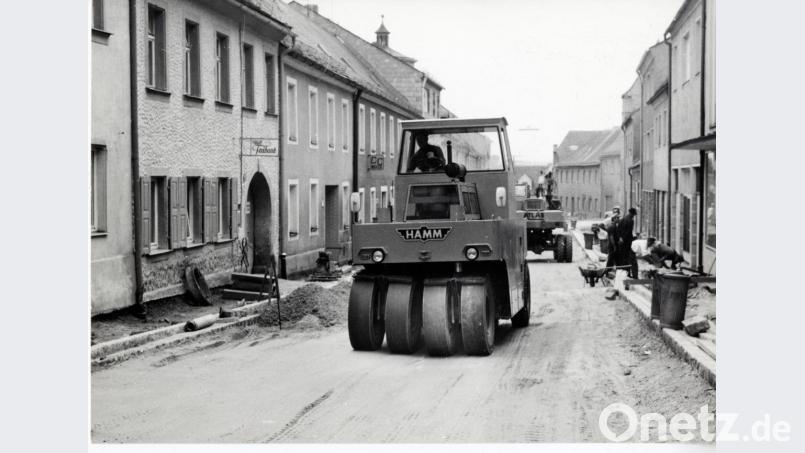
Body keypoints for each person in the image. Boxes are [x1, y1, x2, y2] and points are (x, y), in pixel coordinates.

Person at [618, 207, 639, 278]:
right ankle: (628, 273)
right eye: (633, 215)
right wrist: (628, 238)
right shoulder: (630, 220)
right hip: (627, 242)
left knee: (623, 257)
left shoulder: (622, 219)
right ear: (632, 214)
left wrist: (620, 238)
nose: (633, 216)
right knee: (628, 258)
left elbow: (619, 229)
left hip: (621, 242)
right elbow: (628, 232)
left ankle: (624, 272)